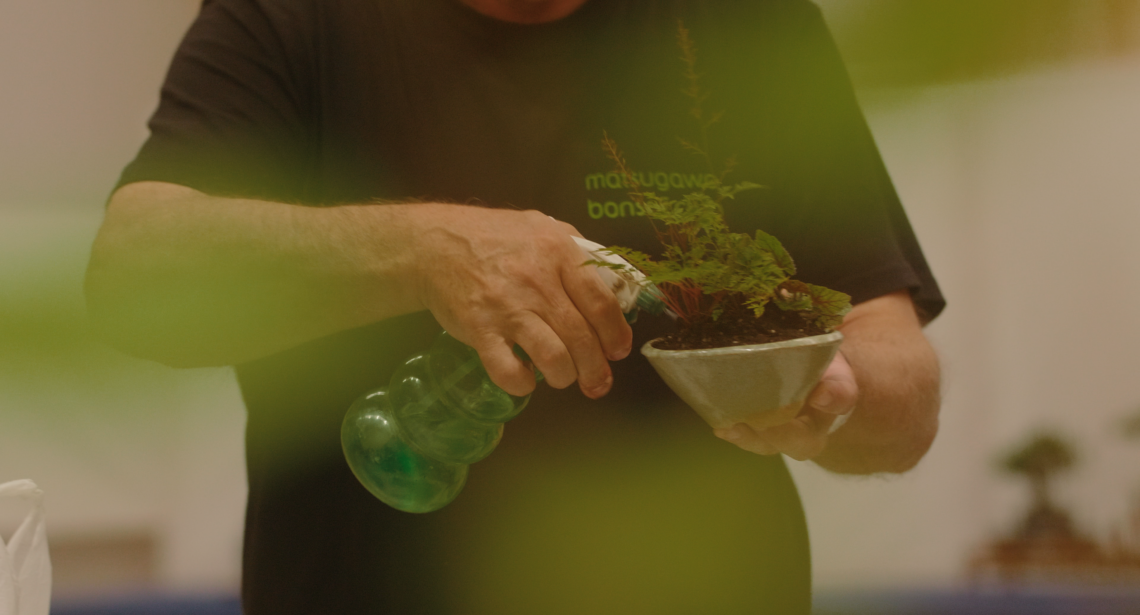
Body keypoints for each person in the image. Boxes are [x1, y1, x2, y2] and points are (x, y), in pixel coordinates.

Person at [85, 0, 943, 612]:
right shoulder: (294, 15)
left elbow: (902, 389)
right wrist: (421, 252)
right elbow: (137, 272)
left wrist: (831, 393)